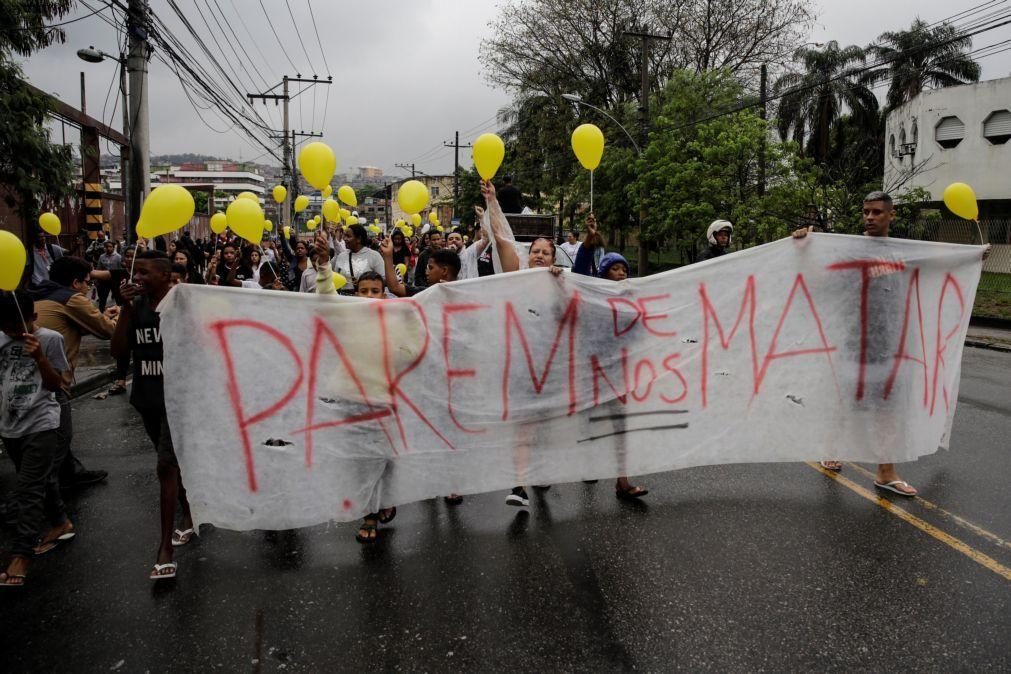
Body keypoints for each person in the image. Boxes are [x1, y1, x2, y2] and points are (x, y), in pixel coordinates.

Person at [793, 190, 990, 496]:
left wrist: (973, 256)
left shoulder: (903, 252)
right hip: (854, 345)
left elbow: (940, 264)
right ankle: (832, 449)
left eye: (877, 212)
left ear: (891, 215)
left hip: (893, 347)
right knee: (846, 403)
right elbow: (818, 282)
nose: (870, 217)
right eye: (866, 212)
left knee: (889, 411)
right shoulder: (849, 251)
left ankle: (886, 473)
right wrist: (805, 247)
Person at [111, 251, 194, 581]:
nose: (138, 277)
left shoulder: (183, 307)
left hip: (176, 402)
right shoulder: (137, 307)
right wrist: (126, 310)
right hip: (146, 399)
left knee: (165, 466)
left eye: (144, 273)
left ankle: (164, 549)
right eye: (136, 272)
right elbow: (118, 352)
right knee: (173, 465)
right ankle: (188, 514)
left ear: (164, 275)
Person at [0, 291, 75, 588]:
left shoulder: (50, 338)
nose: (15, 333)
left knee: (28, 489)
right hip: (10, 424)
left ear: (33, 318)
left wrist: (39, 357)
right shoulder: (1, 339)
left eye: (19, 326)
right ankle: (60, 522)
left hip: (42, 422)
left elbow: (57, 384)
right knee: (38, 480)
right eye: (7, 328)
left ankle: (21, 556)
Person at [32, 256, 116, 490]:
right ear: (76, 283)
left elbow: (67, 325)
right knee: (60, 437)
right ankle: (43, 500)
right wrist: (120, 316)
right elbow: (107, 331)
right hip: (52, 380)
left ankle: (71, 473)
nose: (89, 287)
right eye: (88, 282)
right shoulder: (72, 299)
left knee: (52, 435)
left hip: (27, 377)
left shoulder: (39, 295)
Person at [330, 224, 384, 293]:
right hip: (343, 300)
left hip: (365, 300)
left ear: (359, 239)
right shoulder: (341, 256)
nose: (344, 239)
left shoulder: (374, 256)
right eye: (344, 235)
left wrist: (364, 283)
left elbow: (383, 280)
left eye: (348, 236)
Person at [96, 241, 122, 312]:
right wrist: (97, 280)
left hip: (115, 281)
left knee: (118, 298)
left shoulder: (118, 257)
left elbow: (121, 269)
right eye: (106, 247)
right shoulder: (102, 257)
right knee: (102, 299)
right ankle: (101, 313)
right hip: (104, 281)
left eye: (110, 246)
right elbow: (99, 268)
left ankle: (120, 313)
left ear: (113, 247)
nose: (108, 248)